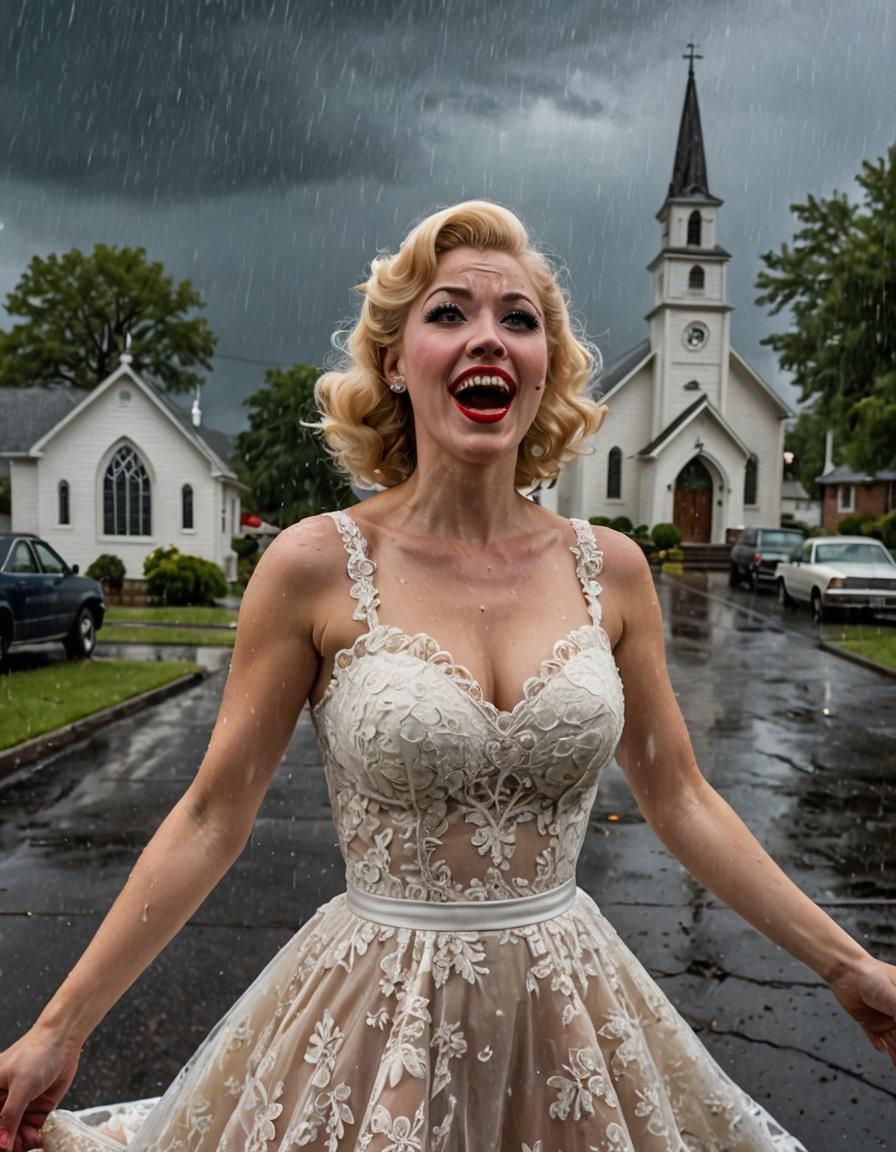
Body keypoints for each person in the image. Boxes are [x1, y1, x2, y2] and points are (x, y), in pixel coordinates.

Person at [1, 200, 893, 1152]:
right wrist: (61, 1025)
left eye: (519, 320)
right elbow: (213, 818)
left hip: (570, 1017)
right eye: (449, 313)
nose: (490, 339)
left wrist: (849, 968)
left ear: (546, 364)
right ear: (393, 359)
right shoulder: (311, 565)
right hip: (376, 1028)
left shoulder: (616, 570)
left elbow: (680, 798)